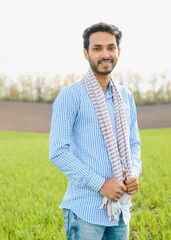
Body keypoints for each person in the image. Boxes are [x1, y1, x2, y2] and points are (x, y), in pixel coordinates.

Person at [49, 22, 142, 240]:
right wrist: (100, 184)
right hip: (85, 211)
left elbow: (134, 144)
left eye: (110, 47)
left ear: (118, 51)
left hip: (119, 211)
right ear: (86, 53)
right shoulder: (71, 96)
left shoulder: (126, 97)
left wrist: (134, 172)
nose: (105, 54)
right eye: (97, 48)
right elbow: (58, 152)